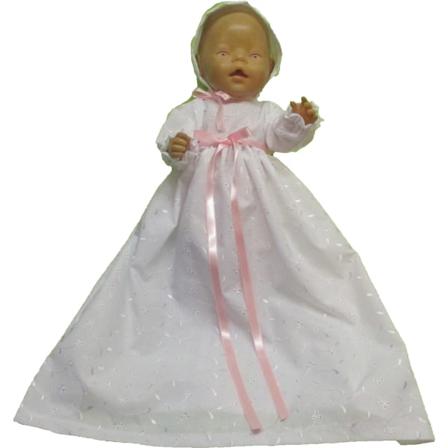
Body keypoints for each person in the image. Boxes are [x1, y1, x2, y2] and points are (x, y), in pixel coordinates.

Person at [13, 1, 435, 446]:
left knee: (298, 276)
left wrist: (299, 121)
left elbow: (284, 138)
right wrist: (178, 147)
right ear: (199, 61)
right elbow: (171, 141)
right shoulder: (193, 110)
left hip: (265, 217)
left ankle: (353, 395)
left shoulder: (265, 112)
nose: (239, 60)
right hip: (194, 218)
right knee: (170, 284)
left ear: (271, 66)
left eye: (253, 54)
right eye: (225, 52)